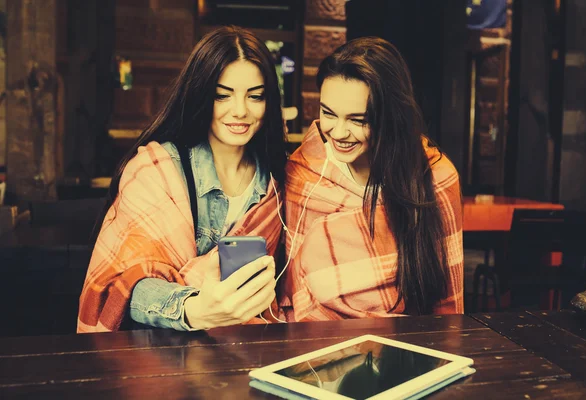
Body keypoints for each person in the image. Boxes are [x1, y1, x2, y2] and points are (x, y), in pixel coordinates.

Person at [78, 26, 287, 333]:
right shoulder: (156, 171)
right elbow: (119, 290)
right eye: (222, 95)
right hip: (164, 353)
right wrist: (192, 309)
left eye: (255, 96)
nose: (240, 111)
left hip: (249, 347)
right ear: (201, 94)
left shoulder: (275, 181)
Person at [279, 37, 463, 321]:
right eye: (328, 113)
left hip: (406, 351)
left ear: (390, 117)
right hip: (313, 349)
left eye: (358, 119)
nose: (338, 132)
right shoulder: (302, 173)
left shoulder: (436, 176)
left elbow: (448, 305)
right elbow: (291, 294)